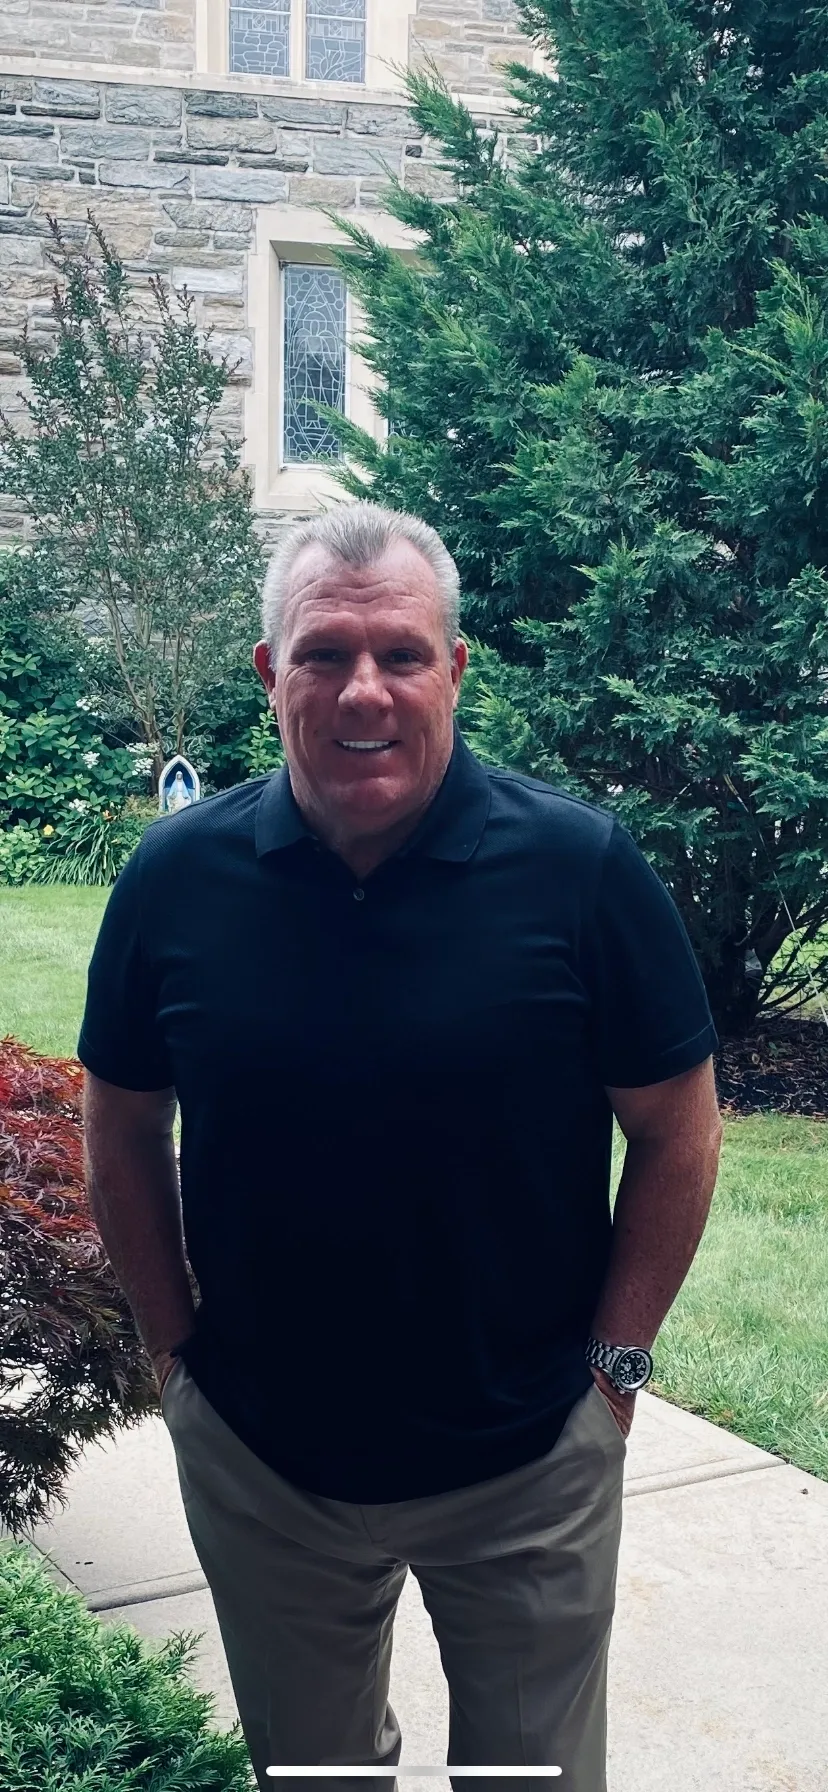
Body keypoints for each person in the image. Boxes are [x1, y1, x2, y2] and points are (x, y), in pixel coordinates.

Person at [79, 503, 722, 1792]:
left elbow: (678, 1130)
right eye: (323, 653)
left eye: (400, 653)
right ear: (271, 676)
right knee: (316, 1782)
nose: (362, 689)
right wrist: (176, 1361)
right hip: (267, 1462)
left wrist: (615, 1373)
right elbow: (123, 1125)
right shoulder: (175, 880)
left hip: (531, 1459)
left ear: (455, 668)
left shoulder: (581, 871)